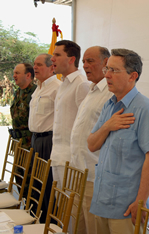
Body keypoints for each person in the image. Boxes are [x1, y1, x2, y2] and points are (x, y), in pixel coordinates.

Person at [87, 48, 149, 234]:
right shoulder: (110, 105)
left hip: (127, 207)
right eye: (106, 70)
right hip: (102, 201)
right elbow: (92, 144)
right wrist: (107, 126)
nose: (107, 75)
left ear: (132, 76)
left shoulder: (144, 109)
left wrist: (140, 202)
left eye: (114, 70)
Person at [70, 46, 112, 234]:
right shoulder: (92, 90)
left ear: (106, 63)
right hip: (79, 171)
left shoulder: (110, 93)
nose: (85, 65)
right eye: (84, 61)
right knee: (77, 227)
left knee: (93, 228)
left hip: (94, 176)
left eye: (90, 61)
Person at [50, 40, 90, 190]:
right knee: (61, 207)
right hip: (58, 155)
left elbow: (86, 124)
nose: (52, 59)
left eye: (57, 55)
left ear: (72, 59)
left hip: (71, 159)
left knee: (71, 209)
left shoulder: (81, 85)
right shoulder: (64, 83)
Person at [29, 53, 61, 223]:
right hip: (35, 139)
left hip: (48, 140)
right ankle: (38, 220)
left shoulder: (57, 87)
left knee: (47, 185)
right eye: (34, 64)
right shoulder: (39, 87)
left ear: (51, 67)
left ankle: (49, 224)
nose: (35, 67)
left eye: (39, 64)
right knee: (37, 184)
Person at [10, 63, 37, 149]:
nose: (14, 76)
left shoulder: (35, 93)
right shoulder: (17, 92)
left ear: (28, 75)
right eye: (14, 73)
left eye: (17, 73)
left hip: (30, 145)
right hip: (18, 142)